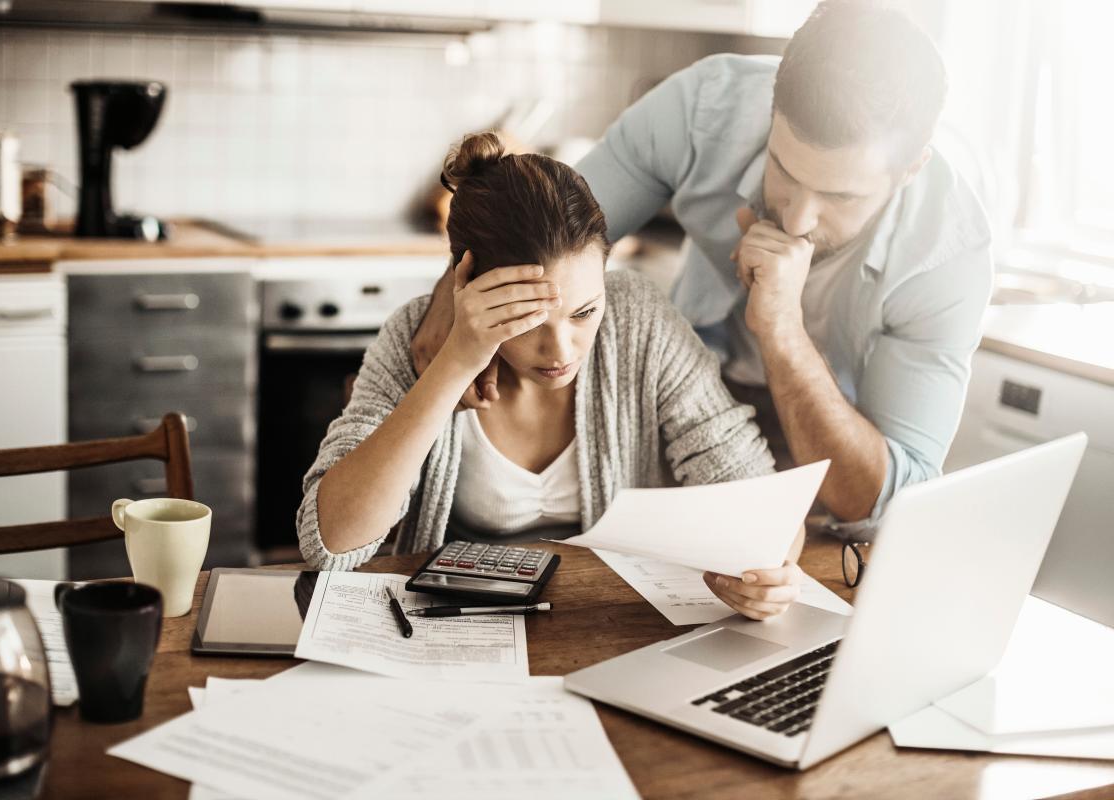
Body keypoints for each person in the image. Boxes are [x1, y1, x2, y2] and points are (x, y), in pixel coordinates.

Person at [411, 1, 993, 537]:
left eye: (840, 196)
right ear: (772, 105)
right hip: (688, 409)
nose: (796, 219)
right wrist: (453, 293)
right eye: (786, 171)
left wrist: (783, 332)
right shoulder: (702, 108)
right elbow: (544, 232)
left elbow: (885, 504)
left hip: (833, 446)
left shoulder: (947, 260)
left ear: (912, 167)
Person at [298, 132, 804, 620]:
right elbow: (331, 545)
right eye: (530, 322)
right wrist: (453, 365)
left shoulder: (638, 317)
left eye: (584, 312)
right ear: (467, 289)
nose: (561, 351)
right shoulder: (415, 334)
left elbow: (753, 490)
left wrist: (774, 569)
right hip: (454, 626)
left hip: (604, 622)